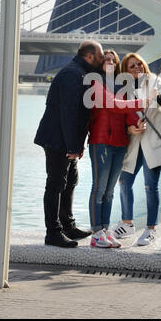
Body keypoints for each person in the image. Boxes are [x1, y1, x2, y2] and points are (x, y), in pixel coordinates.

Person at [34, 40, 105, 248]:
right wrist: (73, 146)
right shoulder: (72, 74)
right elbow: (68, 113)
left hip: (65, 138)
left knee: (70, 180)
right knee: (56, 183)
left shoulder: (81, 72)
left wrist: (76, 145)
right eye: (100, 56)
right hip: (57, 138)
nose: (102, 60)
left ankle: (67, 225)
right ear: (90, 56)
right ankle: (53, 233)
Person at [87, 49, 146, 248]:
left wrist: (136, 123)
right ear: (100, 64)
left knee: (110, 191)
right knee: (99, 188)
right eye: (106, 60)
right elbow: (113, 105)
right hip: (101, 141)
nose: (110, 63)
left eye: (113, 60)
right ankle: (96, 233)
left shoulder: (122, 85)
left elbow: (128, 112)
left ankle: (104, 229)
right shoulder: (96, 83)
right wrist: (139, 102)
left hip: (120, 144)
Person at [114, 52, 161, 246]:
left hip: (153, 141)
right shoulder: (124, 88)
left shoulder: (155, 81)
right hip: (134, 142)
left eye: (139, 64)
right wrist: (130, 128)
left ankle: (151, 229)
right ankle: (127, 223)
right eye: (132, 66)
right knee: (124, 181)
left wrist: (154, 99)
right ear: (125, 71)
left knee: (150, 186)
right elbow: (121, 116)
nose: (137, 67)